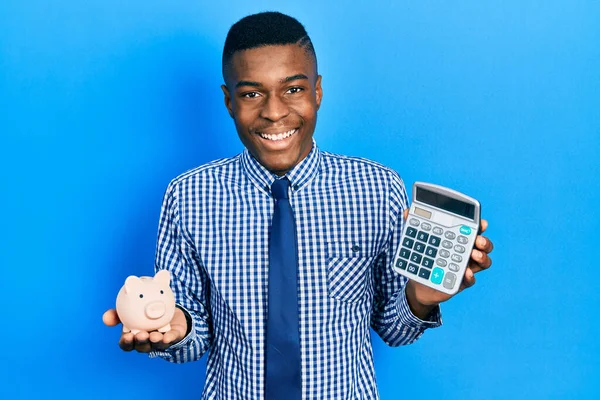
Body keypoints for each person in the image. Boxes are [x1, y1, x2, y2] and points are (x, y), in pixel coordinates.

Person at [103, 11, 494, 399]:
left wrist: (421, 296)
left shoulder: (378, 189)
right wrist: (173, 325)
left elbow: (395, 328)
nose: (274, 112)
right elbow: (192, 332)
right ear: (228, 101)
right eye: (251, 94)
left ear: (317, 92)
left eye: (293, 89)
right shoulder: (188, 196)